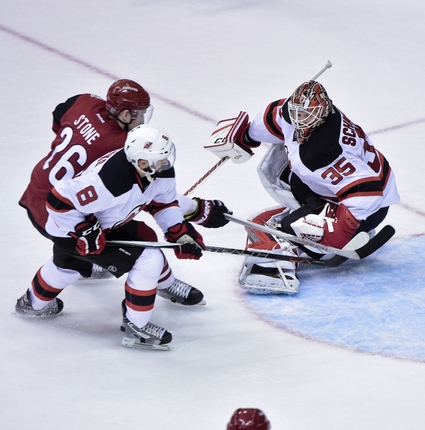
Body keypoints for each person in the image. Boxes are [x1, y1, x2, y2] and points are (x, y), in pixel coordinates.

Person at [18, 79, 229, 305]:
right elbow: (147, 196)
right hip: (65, 208)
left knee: (73, 254)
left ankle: (34, 302)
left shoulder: (84, 103)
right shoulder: (125, 147)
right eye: (139, 114)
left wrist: (83, 141)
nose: (142, 121)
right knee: (136, 243)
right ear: (126, 115)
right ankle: (163, 285)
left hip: (39, 192)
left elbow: (59, 116)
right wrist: (197, 209)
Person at [15, 124, 224, 350]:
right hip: (72, 230)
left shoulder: (158, 171)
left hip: (103, 224)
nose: (167, 163)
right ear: (142, 162)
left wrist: (179, 233)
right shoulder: (110, 180)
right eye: (161, 160)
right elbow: (58, 201)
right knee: (148, 257)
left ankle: (33, 304)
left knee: (69, 264)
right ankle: (137, 327)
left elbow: (163, 202)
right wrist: (85, 230)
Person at [206, 80, 399, 294]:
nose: (299, 121)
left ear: (323, 112)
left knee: (292, 229)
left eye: (306, 115)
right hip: (349, 190)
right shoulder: (299, 114)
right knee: (276, 171)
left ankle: (277, 265)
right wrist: (246, 136)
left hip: (369, 206)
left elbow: (367, 192)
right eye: (296, 113)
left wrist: (340, 231)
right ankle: (334, 220)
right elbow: (273, 116)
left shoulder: (325, 151)